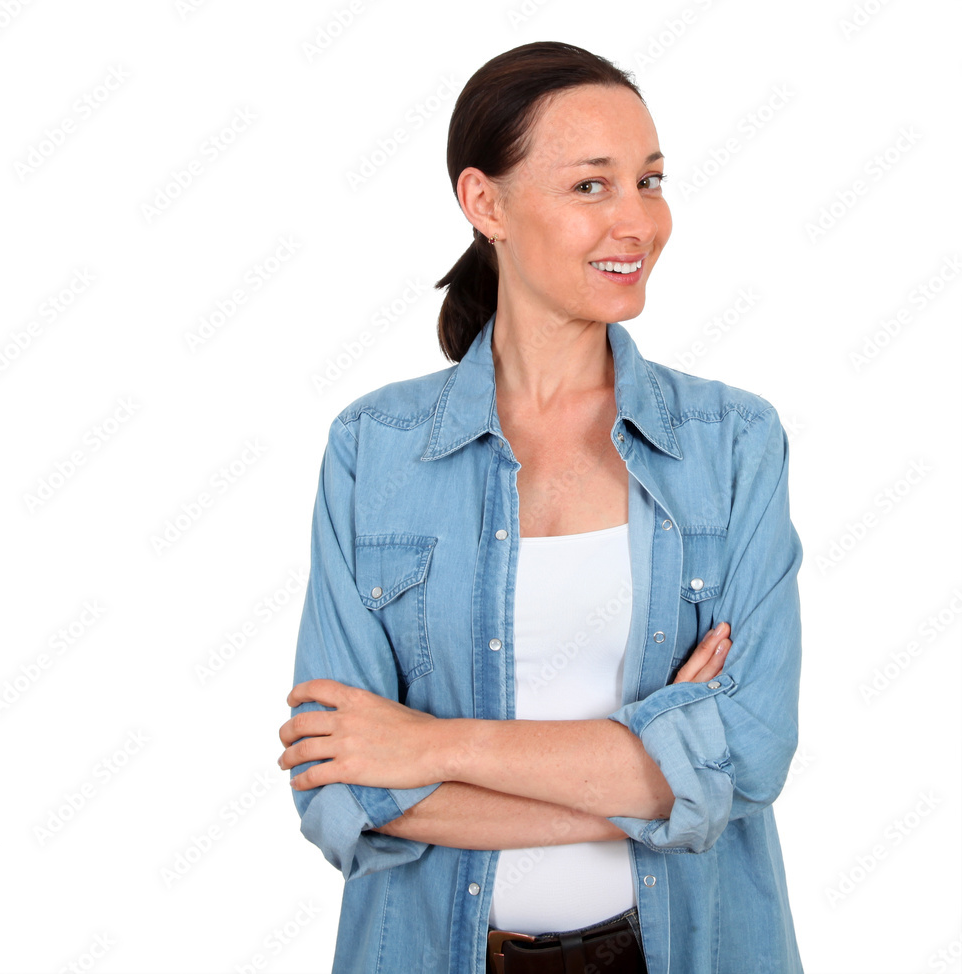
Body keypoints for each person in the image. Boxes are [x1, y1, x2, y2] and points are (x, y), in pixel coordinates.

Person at [277, 40, 804, 974]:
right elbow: (340, 790)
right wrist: (660, 782)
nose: (637, 220)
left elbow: (750, 755)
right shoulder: (375, 450)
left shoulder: (732, 444)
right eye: (592, 186)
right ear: (486, 204)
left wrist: (426, 745)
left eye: (650, 180)